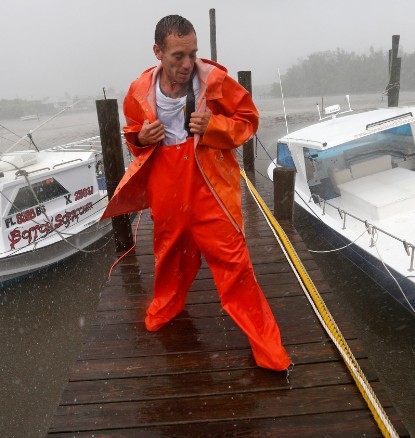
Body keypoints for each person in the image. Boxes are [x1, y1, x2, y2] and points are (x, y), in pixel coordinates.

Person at [102, 14, 291, 372]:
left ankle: (266, 344)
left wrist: (214, 126)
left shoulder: (216, 82)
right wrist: (141, 139)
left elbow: (249, 121)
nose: (187, 64)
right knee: (170, 251)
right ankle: (166, 305)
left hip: (210, 186)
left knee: (235, 264)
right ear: (158, 52)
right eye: (177, 56)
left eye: (193, 53)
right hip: (166, 185)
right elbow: (132, 134)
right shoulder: (138, 91)